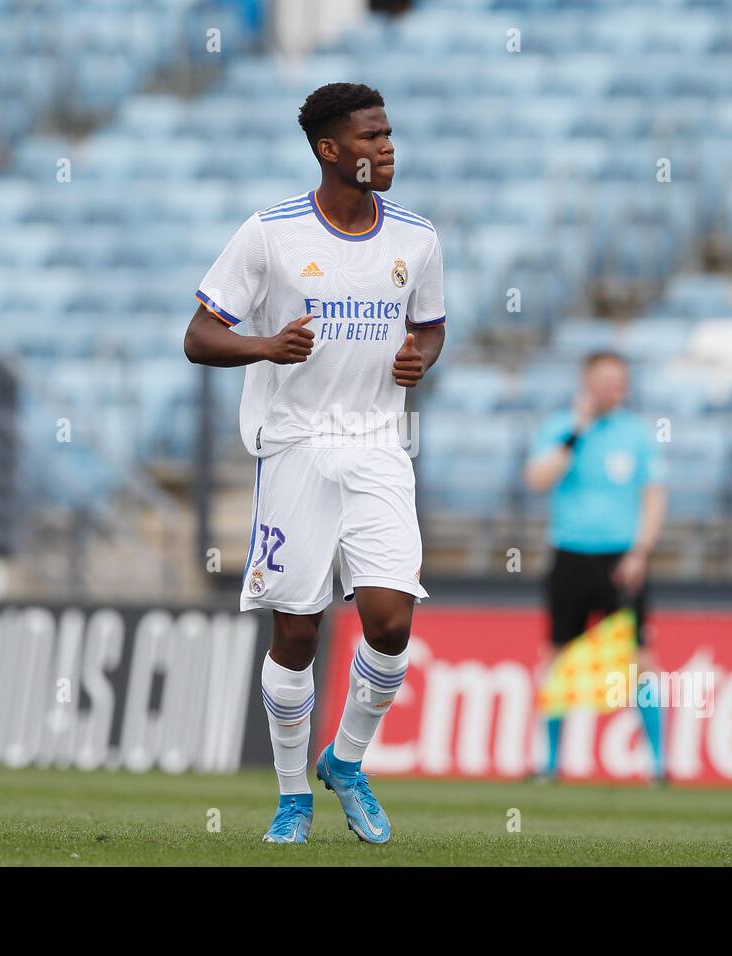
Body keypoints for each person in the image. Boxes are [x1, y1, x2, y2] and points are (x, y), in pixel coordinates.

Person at [183, 83, 445, 843]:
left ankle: (348, 761)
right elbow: (199, 335)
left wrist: (417, 359)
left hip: (377, 445)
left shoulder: (417, 239)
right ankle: (292, 795)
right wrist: (265, 344)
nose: (387, 148)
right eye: (372, 137)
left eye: (391, 134)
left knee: (391, 620)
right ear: (331, 150)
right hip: (295, 445)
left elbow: (429, 327)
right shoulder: (271, 234)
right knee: (297, 633)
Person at [523, 350, 669, 783]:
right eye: (604, 379)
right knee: (557, 657)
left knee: (639, 658)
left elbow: (654, 495)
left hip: (620, 560)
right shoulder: (561, 427)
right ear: (587, 382)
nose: (612, 387)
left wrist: (640, 552)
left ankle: (658, 766)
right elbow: (537, 480)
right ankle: (549, 764)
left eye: (618, 380)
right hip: (568, 554)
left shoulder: (638, 434)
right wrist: (576, 433)